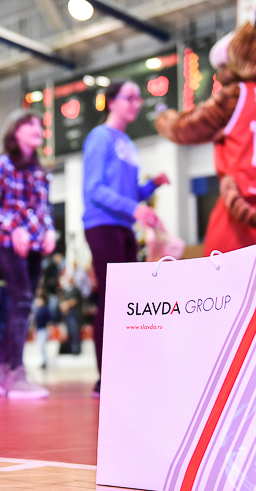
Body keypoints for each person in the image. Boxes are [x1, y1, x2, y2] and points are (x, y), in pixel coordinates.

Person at [82, 79, 170, 399]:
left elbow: (130, 194)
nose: (136, 103)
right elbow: (94, 189)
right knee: (112, 299)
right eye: (129, 97)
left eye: (138, 98)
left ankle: (127, 370)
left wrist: (151, 187)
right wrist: (135, 208)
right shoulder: (99, 137)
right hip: (102, 225)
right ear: (111, 102)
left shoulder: (128, 144)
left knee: (128, 302)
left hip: (124, 227)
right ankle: (105, 377)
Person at [0, 110, 55, 399]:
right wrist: (13, 228)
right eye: (29, 124)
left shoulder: (40, 170)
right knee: (22, 300)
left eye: (39, 125)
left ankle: (0, 370)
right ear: (15, 131)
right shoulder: (2, 164)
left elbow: (44, 208)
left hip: (35, 245)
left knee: (22, 305)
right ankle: (15, 372)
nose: (37, 129)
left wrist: (50, 230)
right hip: (8, 243)